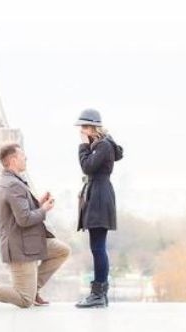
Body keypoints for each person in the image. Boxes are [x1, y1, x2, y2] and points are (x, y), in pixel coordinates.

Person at [0, 143, 71, 308]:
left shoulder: (9, 181)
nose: (25, 159)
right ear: (13, 160)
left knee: (62, 250)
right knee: (24, 300)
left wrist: (39, 203)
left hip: (29, 241)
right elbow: (24, 219)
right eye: (22, 156)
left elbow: (19, 213)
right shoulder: (13, 184)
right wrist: (44, 209)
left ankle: (34, 289)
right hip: (21, 246)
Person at [75, 108, 123, 308]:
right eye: (81, 127)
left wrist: (83, 147)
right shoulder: (102, 144)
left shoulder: (102, 146)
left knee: (98, 248)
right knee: (97, 248)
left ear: (94, 127)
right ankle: (100, 294)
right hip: (99, 195)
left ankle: (98, 294)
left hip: (99, 198)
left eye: (85, 127)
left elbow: (87, 167)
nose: (82, 131)